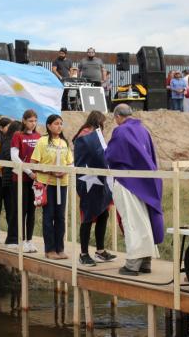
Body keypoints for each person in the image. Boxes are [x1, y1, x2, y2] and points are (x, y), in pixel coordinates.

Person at [105, 104, 164, 276]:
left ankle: (132, 263)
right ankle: (146, 261)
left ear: (117, 117)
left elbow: (111, 155)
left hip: (127, 181)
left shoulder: (121, 131)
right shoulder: (143, 130)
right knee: (144, 220)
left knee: (132, 222)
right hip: (146, 182)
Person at [72, 111, 116, 266]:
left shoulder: (94, 135)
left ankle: (100, 250)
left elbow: (102, 154)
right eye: (102, 122)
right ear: (97, 121)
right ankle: (83, 253)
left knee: (103, 214)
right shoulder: (85, 135)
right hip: (88, 181)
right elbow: (96, 155)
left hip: (100, 180)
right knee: (88, 217)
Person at [31, 114, 73, 260]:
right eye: (56, 123)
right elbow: (34, 164)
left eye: (61, 123)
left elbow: (70, 163)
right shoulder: (42, 142)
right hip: (47, 184)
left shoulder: (64, 143)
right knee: (49, 216)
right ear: (48, 126)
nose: (59, 126)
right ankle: (49, 250)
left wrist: (64, 171)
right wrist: (50, 170)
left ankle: (60, 248)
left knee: (60, 217)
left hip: (62, 183)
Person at [6, 110, 41, 252]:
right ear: (24, 121)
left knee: (31, 210)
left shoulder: (39, 136)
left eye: (35, 121)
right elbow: (14, 157)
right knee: (20, 209)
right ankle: (17, 239)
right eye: (30, 121)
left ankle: (29, 240)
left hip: (35, 180)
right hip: (20, 178)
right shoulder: (17, 135)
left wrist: (37, 173)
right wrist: (29, 172)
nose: (33, 123)